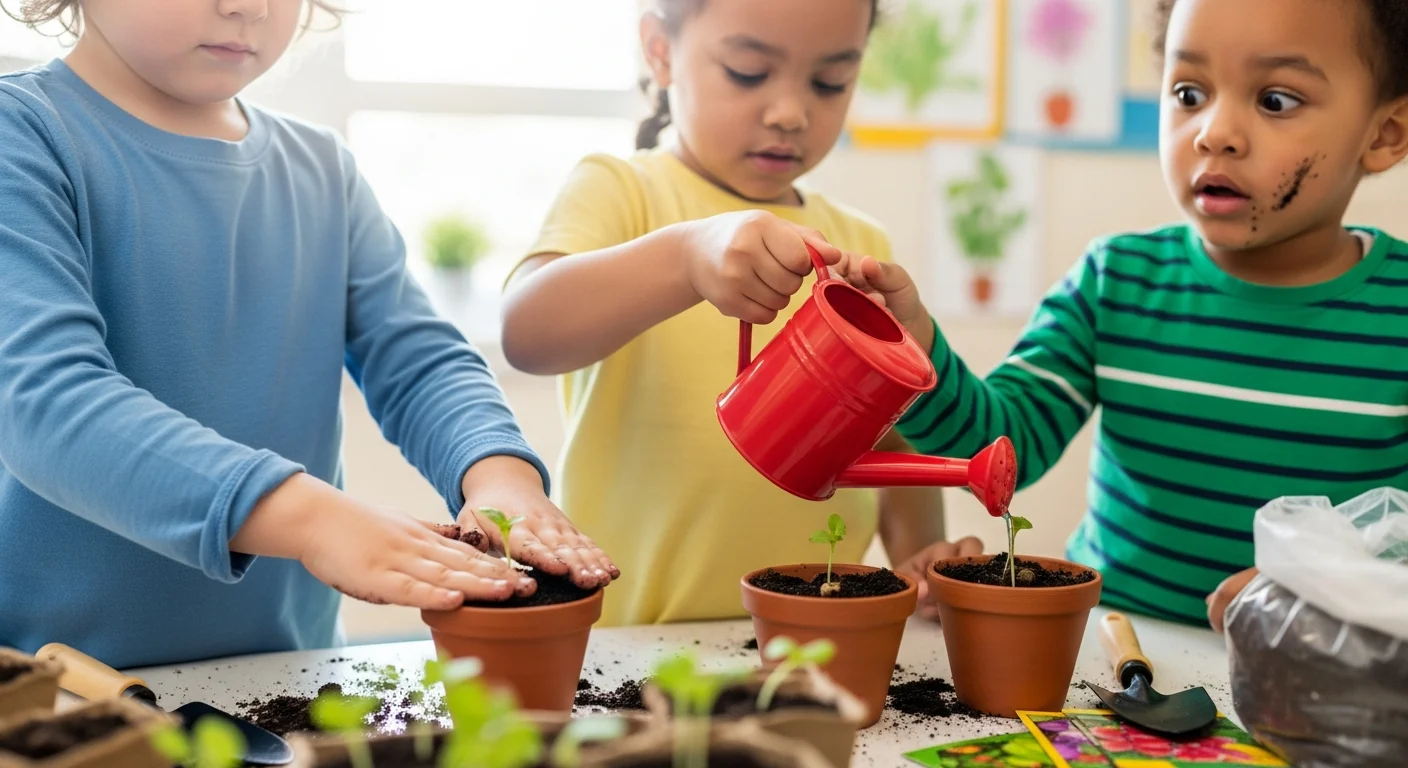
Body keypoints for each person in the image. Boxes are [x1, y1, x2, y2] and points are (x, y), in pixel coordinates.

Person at [0, 0, 615, 668]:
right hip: (57, 695)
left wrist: (499, 478)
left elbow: (419, 360)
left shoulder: (322, 168)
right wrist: (317, 520)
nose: (247, 6)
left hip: (292, 675)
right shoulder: (23, 136)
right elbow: (47, 404)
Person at [835, 0, 1408, 631]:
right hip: (1106, 660)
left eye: (1275, 100)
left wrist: (1319, 577)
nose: (1214, 132)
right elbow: (998, 449)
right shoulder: (1115, 282)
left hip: (1313, 684)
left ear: (1384, 134)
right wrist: (913, 346)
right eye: (1190, 91)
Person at [501, 0, 981, 627]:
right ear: (660, 50)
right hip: (626, 647)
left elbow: (888, 435)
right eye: (749, 72)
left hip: (817, 637)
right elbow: (527, 334)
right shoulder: (624, 190)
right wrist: (683, 257)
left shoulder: (860, 240)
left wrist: (918, 558)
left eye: (830, 81)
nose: (791, 112)